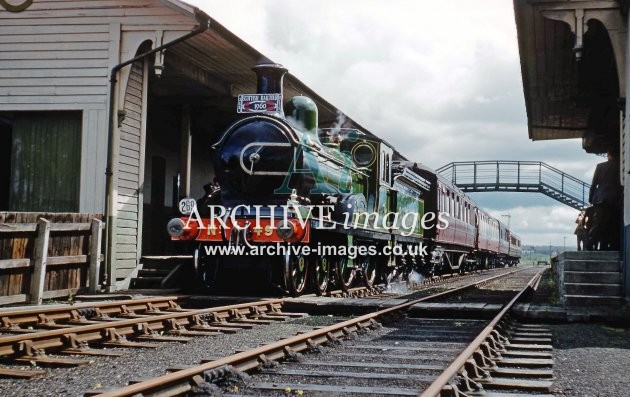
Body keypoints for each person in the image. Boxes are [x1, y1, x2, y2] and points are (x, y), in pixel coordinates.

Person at [587, 149, 622, 250]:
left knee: (598, 223)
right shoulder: (619, 166)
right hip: (614, 198)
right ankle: (605, 246)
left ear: (608, 155)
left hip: (600, 198)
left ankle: (590, 242)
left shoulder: (600, 166)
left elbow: (594, 184)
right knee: (611, 223)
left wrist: (591, 198)